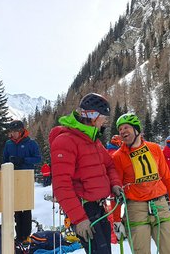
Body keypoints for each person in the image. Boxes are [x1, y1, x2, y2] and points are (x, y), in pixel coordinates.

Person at [49, 93, 122, 254]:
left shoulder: (93, 141)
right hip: (84, 211)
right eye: (103, 117)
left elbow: (109, 165)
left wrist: (115, 184)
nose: (105, 122)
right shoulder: (65, 141)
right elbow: (61, 186)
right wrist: (79, 219)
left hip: (99, 208)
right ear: (93, 116)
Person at [112, 113, 170, 254]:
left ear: (136, 129)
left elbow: (167, 177)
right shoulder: (118, 157)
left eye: (126, 127)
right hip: (135, 209)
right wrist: (117, 220)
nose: (122, 131)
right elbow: (115, 191)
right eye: (120, 130)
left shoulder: (154, 148)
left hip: (160, 205)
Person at [3, 120, 41, 243]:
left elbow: (38, 159)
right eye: (12, 132)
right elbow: (4, 160)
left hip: (26, 178)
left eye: (15, 131)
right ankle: (19, 236)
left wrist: (23, 160)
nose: (13, 134)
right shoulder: (8, 144)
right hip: (12, 178)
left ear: (21, 131)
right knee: (16, 207)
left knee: (26, 206)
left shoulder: (31, 143)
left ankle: (26, 235)